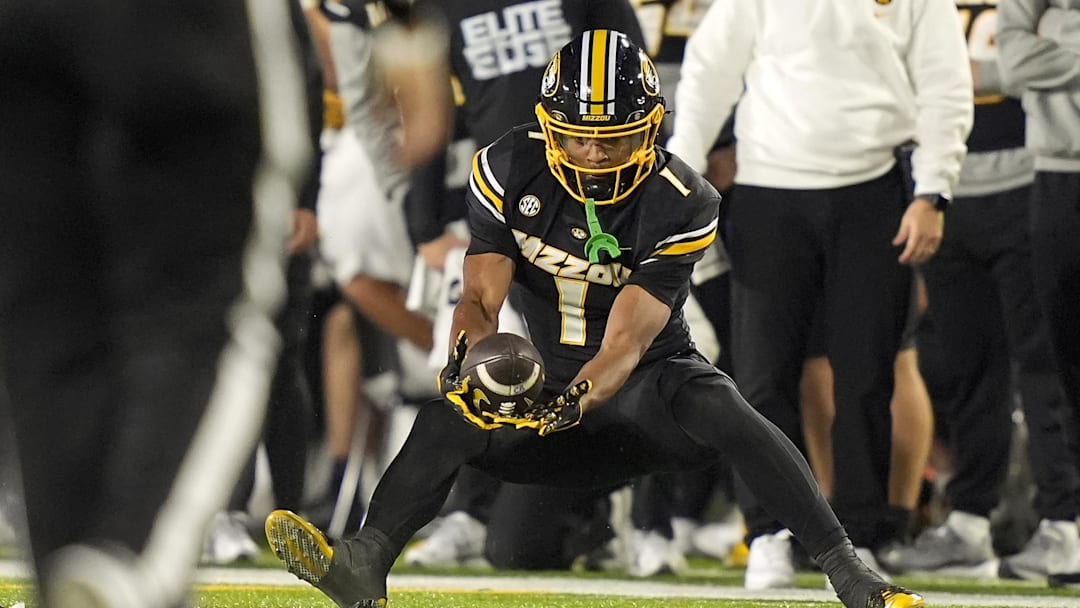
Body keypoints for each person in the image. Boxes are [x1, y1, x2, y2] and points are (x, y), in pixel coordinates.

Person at [264, 30, 926, 608]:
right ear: (550, 126)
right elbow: (479, 296)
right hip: (546, 395)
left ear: (648, 129)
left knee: (719, 399)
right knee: (482, 482)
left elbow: (629, 339)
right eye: (578, 137)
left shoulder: (683, 201)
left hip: (645, 405)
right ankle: (363, 564)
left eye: (612, 139)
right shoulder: (505, 167)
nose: (593, 155)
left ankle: (849, 574)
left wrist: (578, 398)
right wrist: (468, 357)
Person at [0, 0, 312, 607]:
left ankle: (73, 572)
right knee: (207, 309)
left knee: (49, 321)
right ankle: (126, 568)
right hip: (175, 25)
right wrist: (405, 22)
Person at [666, 0, 974, 588]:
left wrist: (934, 188)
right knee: (760, 376)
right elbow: (711, 68)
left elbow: (944, 81)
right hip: (768, 190)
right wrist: (686, 170)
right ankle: (766, 533)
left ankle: (860, 538)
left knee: (867, 372)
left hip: (875, 188)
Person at [998, 0, 1080, 588]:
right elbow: (1014, 63)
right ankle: (1069, 527)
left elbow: (1034, 52)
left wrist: (1055, 32)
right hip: (1055, 170)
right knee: (1063, 356)